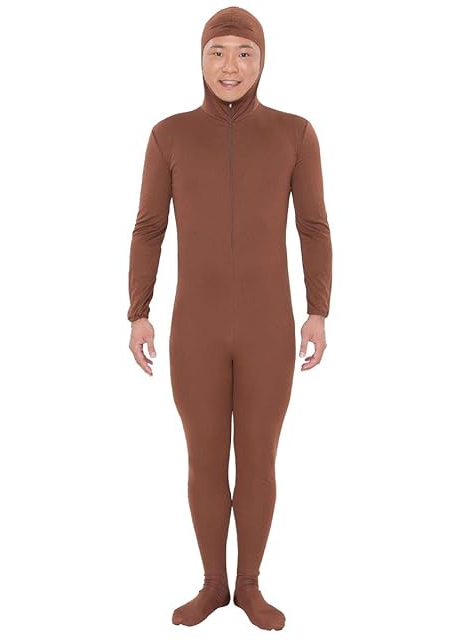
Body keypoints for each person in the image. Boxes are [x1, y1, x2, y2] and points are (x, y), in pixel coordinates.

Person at [127, 6, 332, 631]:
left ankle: (249, 586)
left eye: (245, 53)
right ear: (200, 58)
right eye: (218, 52)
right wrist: (139, 312)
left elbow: (314, 227)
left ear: (263, 60)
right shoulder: (169, 135)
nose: (230, 67)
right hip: (196, 328)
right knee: (205, 459)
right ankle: (213, 584)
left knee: (259, 459)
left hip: (270, 327)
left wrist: (317, 311)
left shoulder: (295, 134)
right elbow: (149, 228)